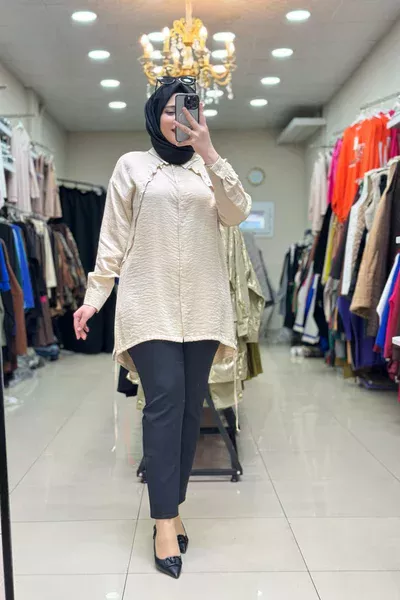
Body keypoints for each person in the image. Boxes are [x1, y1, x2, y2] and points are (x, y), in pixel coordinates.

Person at [73, 78, 251, 579]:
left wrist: (209, 152)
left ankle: (172, 508)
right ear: (155, 115)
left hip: (203, 307)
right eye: (171, 110)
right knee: (165, 402)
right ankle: (163, 522)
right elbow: (112, 239)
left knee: (191, 411)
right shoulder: (132, 166)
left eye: (189, 109)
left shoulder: (208, 169)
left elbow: (237, 213)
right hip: (148, 305)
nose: (180, 118)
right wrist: (92, 299)